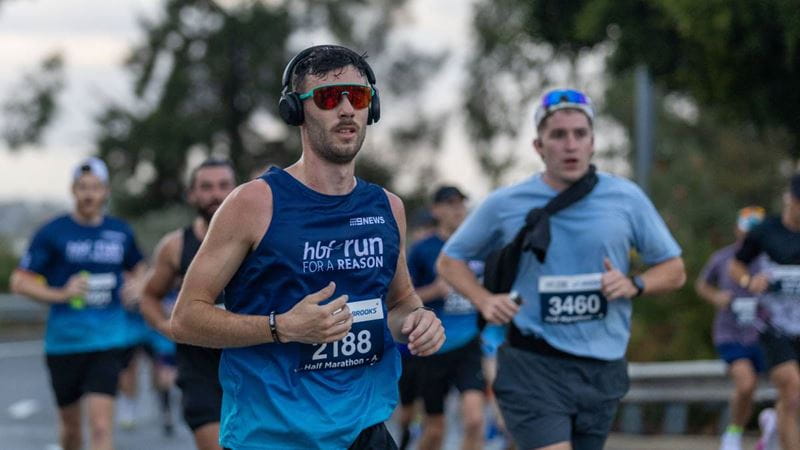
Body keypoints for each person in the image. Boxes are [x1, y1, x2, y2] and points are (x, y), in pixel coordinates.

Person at [169, 44, 445, 449]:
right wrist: (281, 327)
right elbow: (185, 318)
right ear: (295, 111)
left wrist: (419, 322)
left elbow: (401, 303)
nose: (348, 109)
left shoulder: (388, 207)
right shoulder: (254, 203)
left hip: (365, 431)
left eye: (360, 97)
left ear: (373, 108)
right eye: (330, 98)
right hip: (274, 437)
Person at [437, 88, 686, 450]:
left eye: (579, 134)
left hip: (602, 369)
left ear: (593, 142)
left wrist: (634, 284)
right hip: (532, 364)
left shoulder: (626, 198)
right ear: (539, 146)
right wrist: (484, 300)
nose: (570, 144)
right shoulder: (506, 203)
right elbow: (449, 260)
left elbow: (675, 269)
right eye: (558, 135)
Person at [9, 157, 146, 450]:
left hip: (107, 341)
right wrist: (61, 293)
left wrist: (137, 285)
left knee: (100, 428)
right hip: (64, 343)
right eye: (82, 187)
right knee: (72, 432)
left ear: (106, 191)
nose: (89, 194)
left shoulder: (120, 231)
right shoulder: (53, 232)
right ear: (73, 190)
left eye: (95, 187)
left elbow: (140, 266)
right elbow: (19, 281)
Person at [139, 158, 236, 450]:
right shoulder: (176, 246)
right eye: (206, 187)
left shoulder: (259, 240)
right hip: (200, 372)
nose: (215, 194)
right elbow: (148, 295)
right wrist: (167, 327)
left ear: (238, 190)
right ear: (192, 194)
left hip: (252, 369)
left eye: (223, 186)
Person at [407, 185, 485, 450]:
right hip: (434, 346)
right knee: (435, 431)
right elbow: (401, 299)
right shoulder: (423, 250)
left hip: (469, 344)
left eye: (461, 203)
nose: (457, 209)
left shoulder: (479, 245)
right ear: (435, 210)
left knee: (475, 420)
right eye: (450, 204)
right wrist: (435, 290)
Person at [731, 173, 800, 450]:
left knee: (790, 399)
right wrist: (749, 281)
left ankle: (774, 428)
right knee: (793, 390)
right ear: (792, 201)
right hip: (774, 327)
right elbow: (735, 265)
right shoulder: (765, 231)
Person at [695, 206, 766, 450]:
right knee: (746, 384)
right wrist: (716, 297)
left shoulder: (770, 258)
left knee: (785, 387)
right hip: (730, 333)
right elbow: (702, 285)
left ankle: (773, 427)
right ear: (737, 229)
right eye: (746, 231)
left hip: (764, 334)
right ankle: (733, 433)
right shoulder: (722, 258)